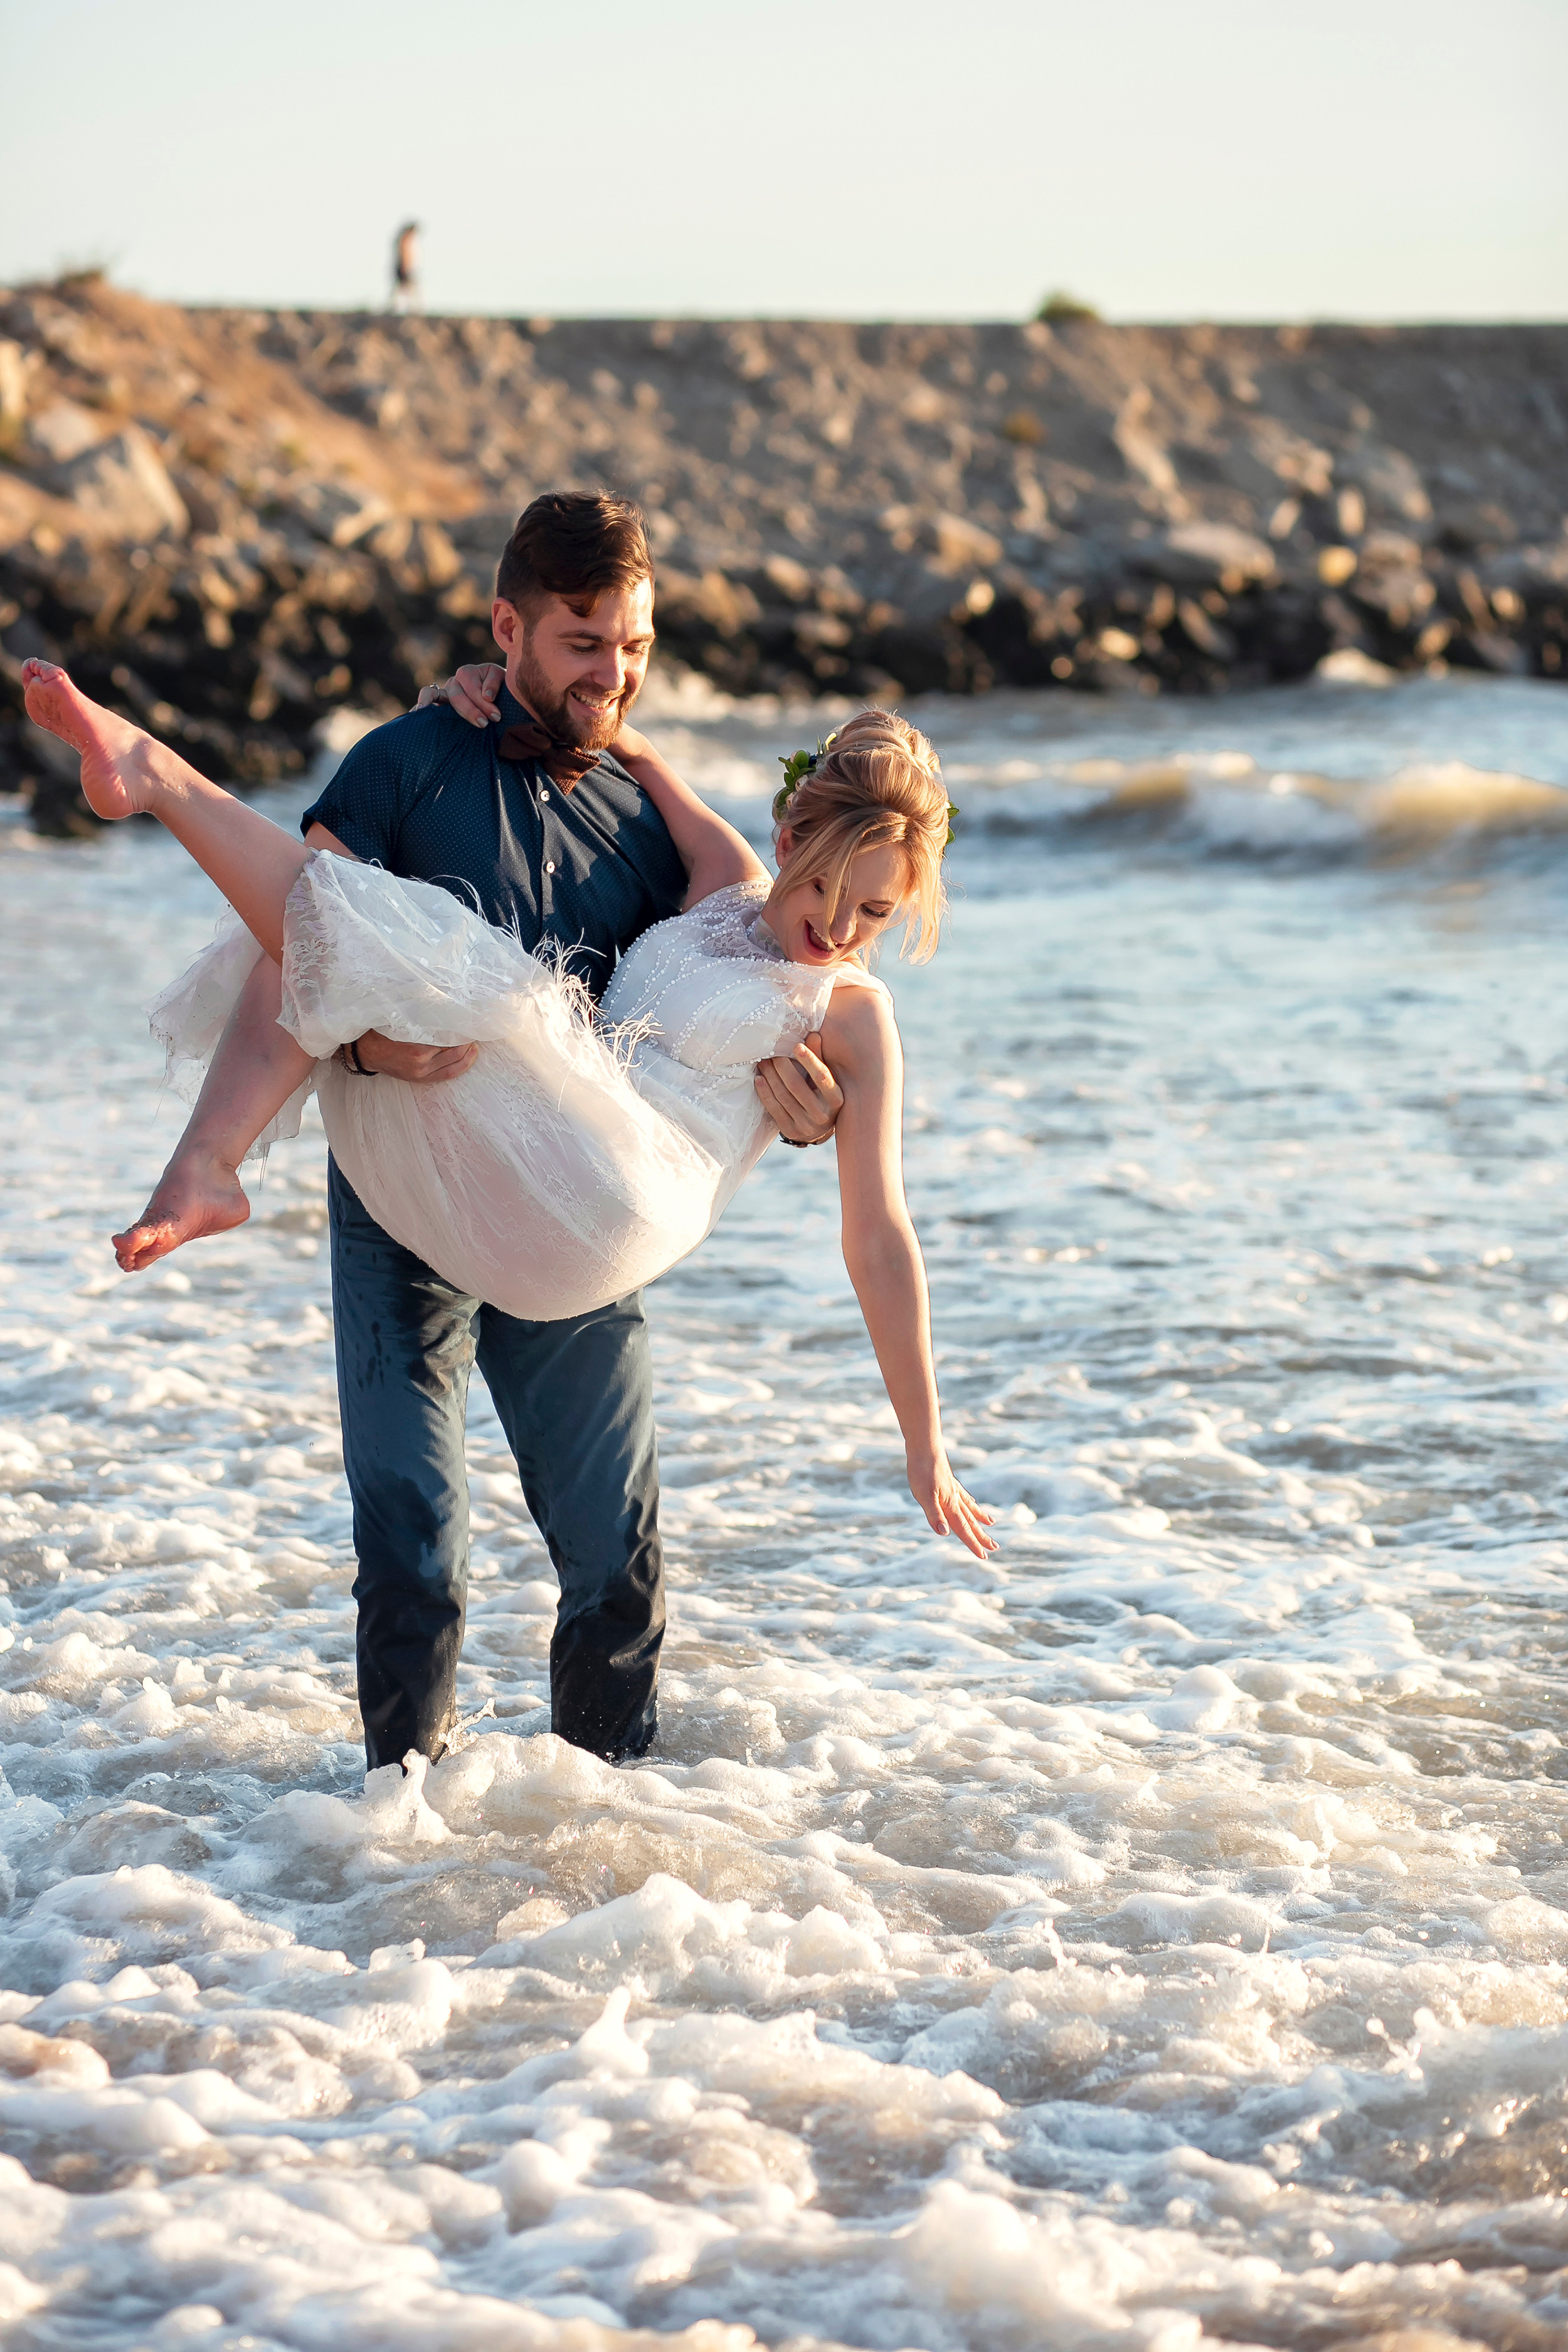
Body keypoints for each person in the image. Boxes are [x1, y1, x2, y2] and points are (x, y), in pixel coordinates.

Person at [391, 221, 420, 314]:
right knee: (409, 288)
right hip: (404, 267)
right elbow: (404, 256)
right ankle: (413, 308)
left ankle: (399, 306)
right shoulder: (404, 240)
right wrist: (405, 267)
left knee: (403, 288)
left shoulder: (405, 240)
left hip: (405, 267)